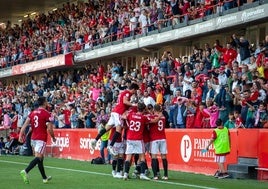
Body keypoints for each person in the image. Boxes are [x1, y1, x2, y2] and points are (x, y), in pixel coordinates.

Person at [91, 83, 139, 155]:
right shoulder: (127, 93)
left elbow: (123, 103)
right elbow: (125, 101)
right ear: (133, 89)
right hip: (118, 112)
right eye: (136, 91)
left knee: (106, 128)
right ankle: (110, 146)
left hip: (114, 112)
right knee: (118, 130)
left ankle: (95, 140)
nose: (135, 93)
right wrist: (133, 104)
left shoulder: (123, 92)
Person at [18, 96, 56, 184]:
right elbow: (50, 129)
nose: (47, 103)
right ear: (44, 103)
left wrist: (21, 135)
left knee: (40, 158)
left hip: (33, 139)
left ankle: (44, 178)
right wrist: (53, 137)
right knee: (39, 157)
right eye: (46, 101)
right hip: (41, 138)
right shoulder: (47, 113)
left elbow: (25, 125)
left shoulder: (32, 113)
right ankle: (26, 171)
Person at [121, 102, 161, 180]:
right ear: (144, 109)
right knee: (142, 157)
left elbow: (123, 116)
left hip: (129, 138)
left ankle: (125, 174)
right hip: (138, 139)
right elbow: (154, 121)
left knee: (128, 157)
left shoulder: (131, 114)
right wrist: (159, 116)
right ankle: (142, 174)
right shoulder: (143, 118)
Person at [149, 104, 169, 180]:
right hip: (163, 138)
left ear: (154, 110)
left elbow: (150, 122)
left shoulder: (153, 117)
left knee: (154, 156)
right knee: (164, 156)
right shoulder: (163, 117)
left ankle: (155, 176)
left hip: (154, 139)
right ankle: (166, 175)